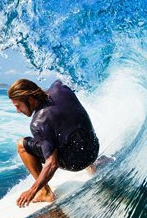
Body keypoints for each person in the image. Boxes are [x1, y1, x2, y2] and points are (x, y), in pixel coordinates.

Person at [8, 78, 100, 207]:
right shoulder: (60, 87)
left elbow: (52, 163)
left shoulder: (38, 123)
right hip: (93, 149)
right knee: (66, 123)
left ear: (30, 99)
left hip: (76, 163)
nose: (18, 110)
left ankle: (45, 192)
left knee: (21, 144)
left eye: (18, 105)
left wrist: (32, 190)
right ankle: (92, 166)